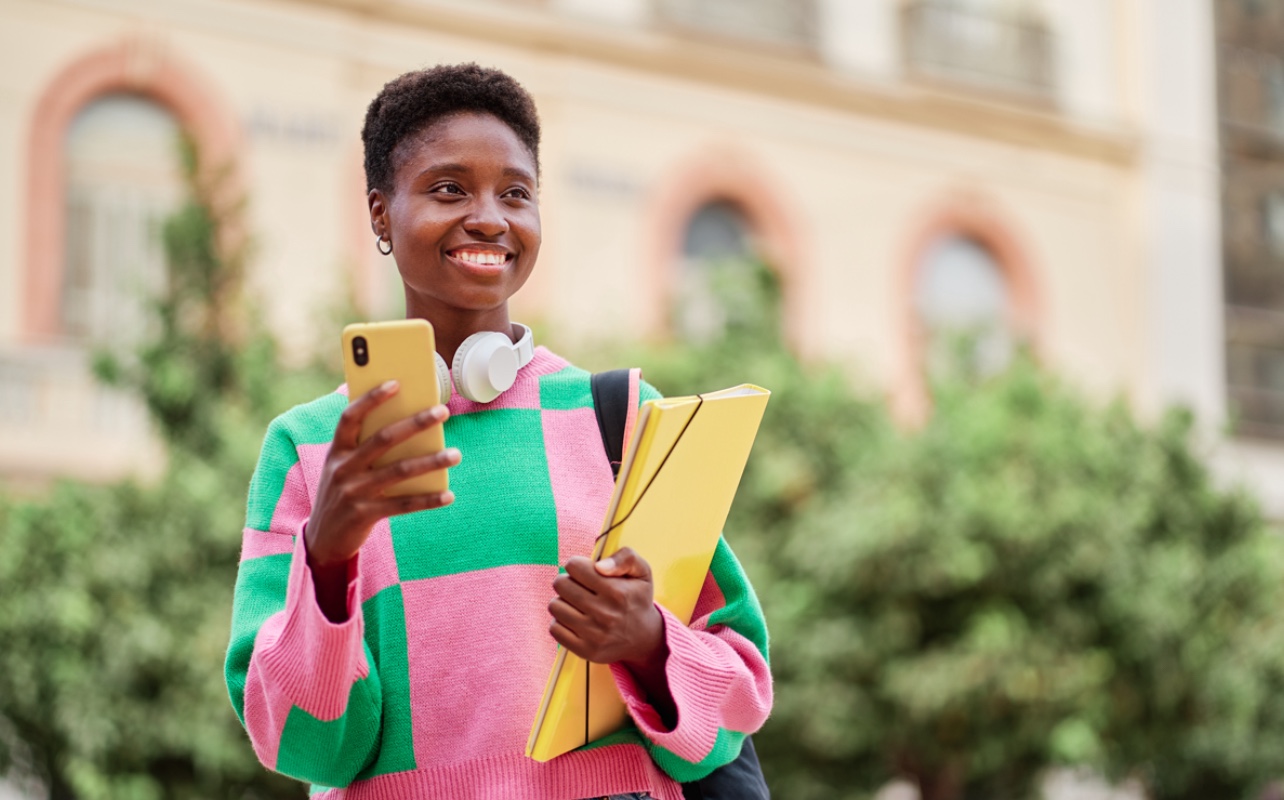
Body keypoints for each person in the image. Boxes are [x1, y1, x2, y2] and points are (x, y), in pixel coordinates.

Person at [224, 63, 772, 800]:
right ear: (381, 214)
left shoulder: (621, 418)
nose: (489, 217)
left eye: (515, 193)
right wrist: (326, 558)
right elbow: (307, 745)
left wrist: (648, 645)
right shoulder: (310, 449)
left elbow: (740, 689)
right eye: (449, 188)